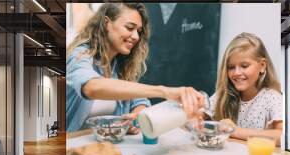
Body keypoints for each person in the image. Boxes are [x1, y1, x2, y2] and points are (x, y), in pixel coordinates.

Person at [66, 3, 205, 132]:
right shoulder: (79, 55)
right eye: (130, 28)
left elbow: (139, 100)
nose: (136, 36)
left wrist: (137, 114)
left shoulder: (120, 65)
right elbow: (91, 87)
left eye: (138, 31)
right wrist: (164, 91)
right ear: (106, 23)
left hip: (107, 146)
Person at [209, 32, 283, 146]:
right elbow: (196, 119)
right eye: (231, 67)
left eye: (244, 66)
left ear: (262, 66)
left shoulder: (272, 98)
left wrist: (236, 131)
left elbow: (282, 136)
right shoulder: (222, 95)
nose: (236, 73)